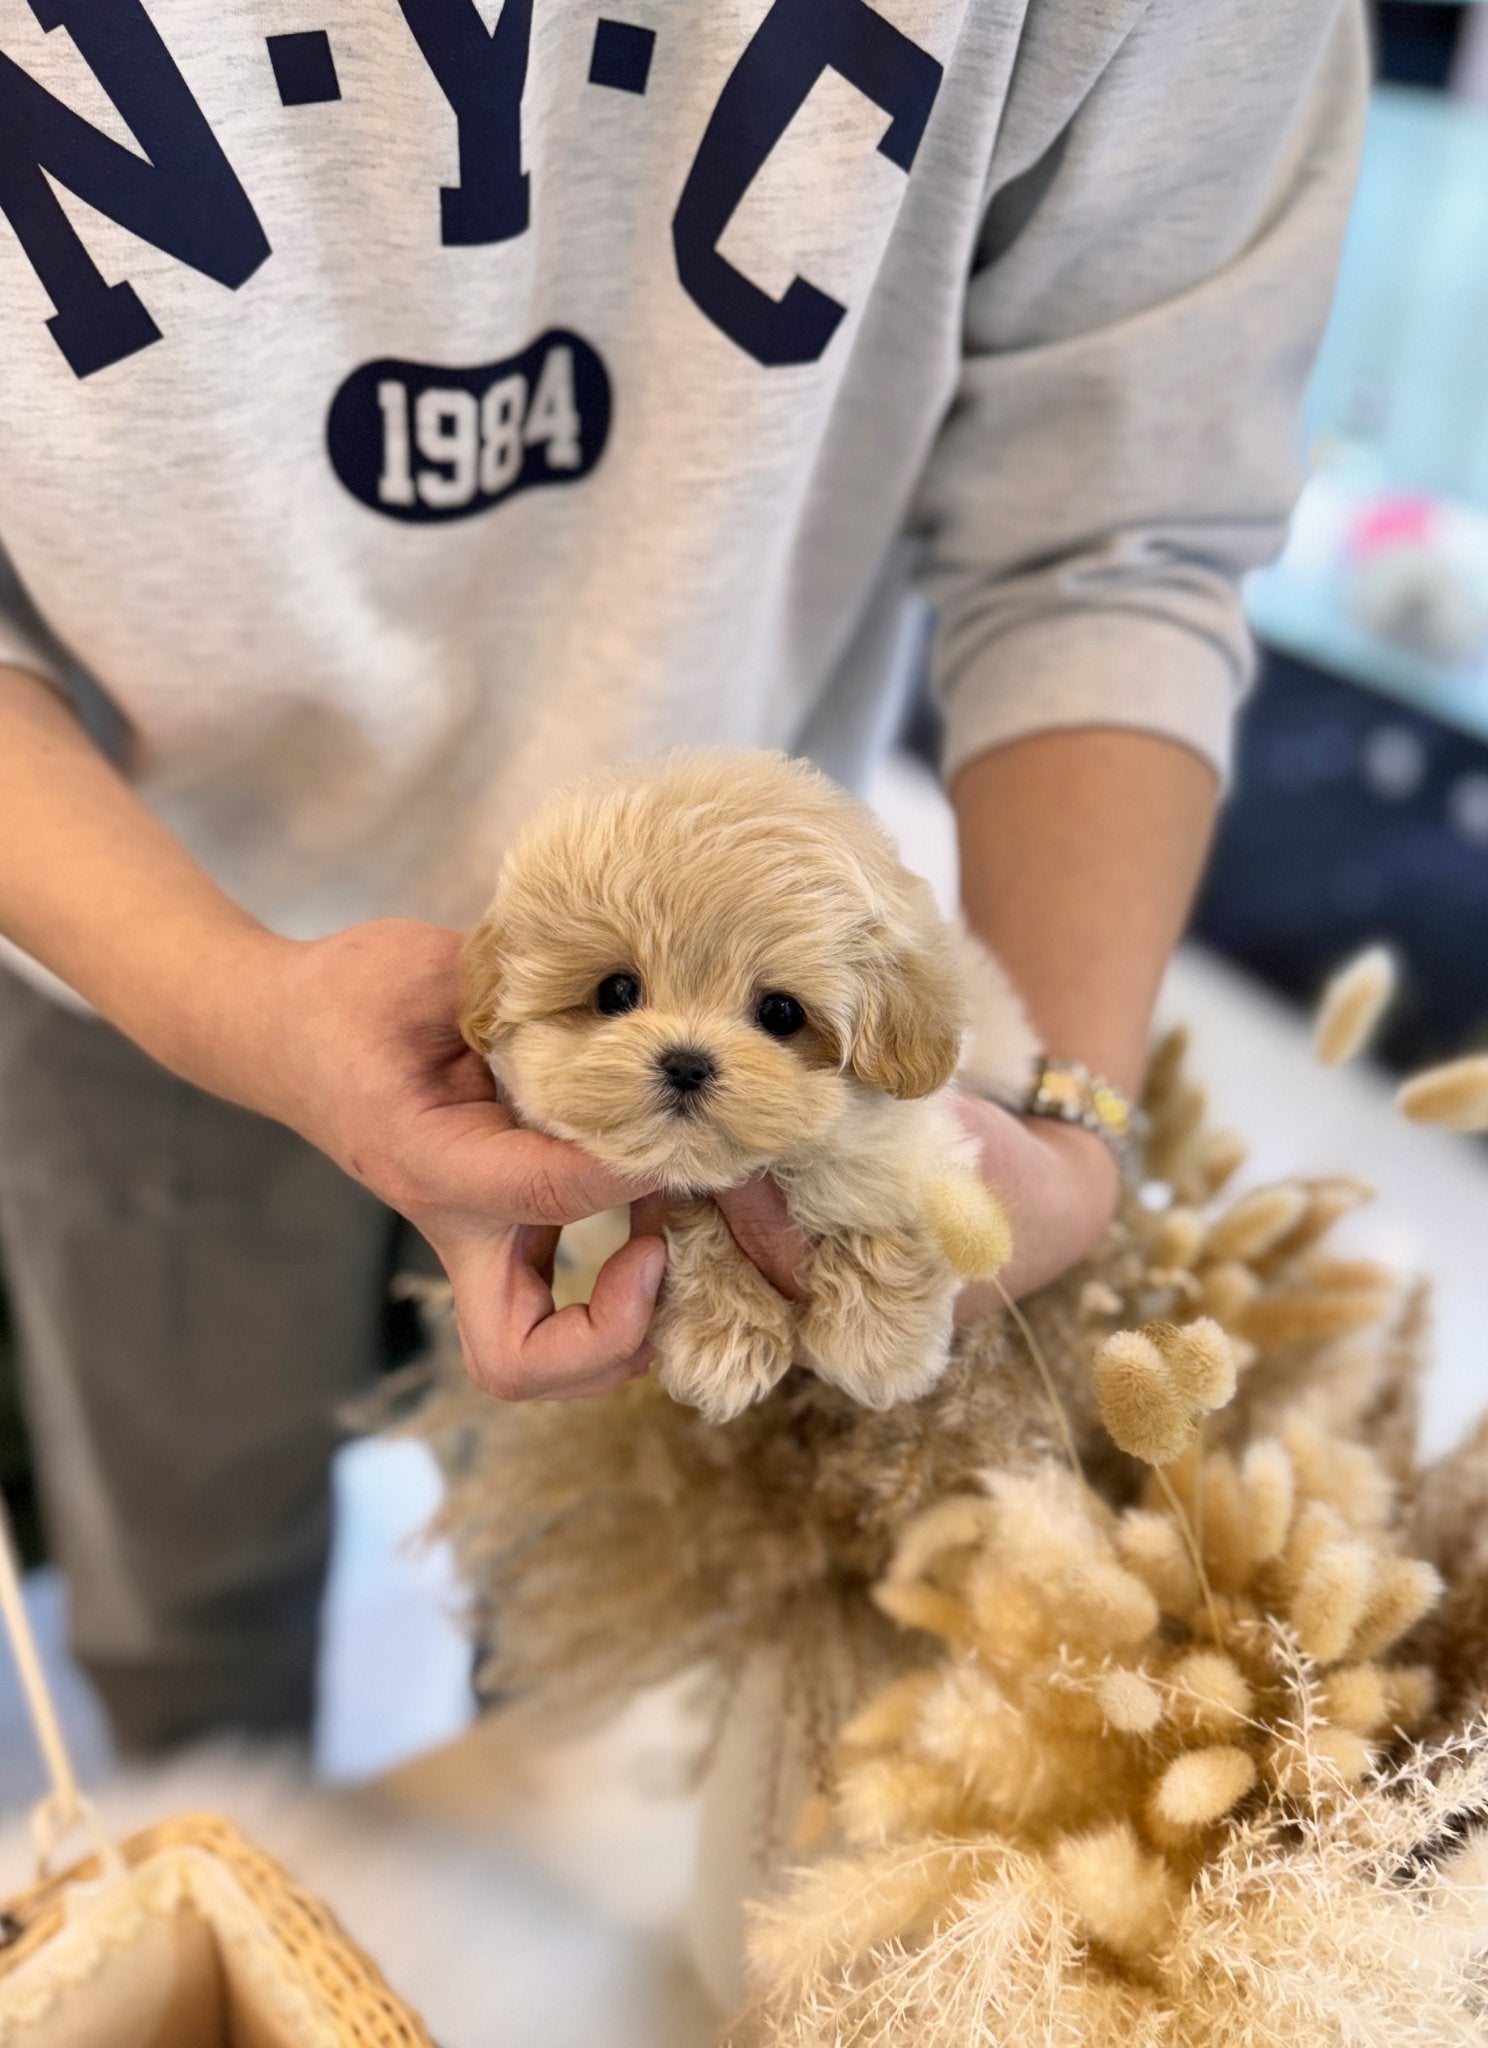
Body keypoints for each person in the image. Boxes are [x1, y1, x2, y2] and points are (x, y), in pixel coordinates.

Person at [0, 0, 1365, 1751]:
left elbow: (1122, 514)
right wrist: (216, 991)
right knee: (183, 1602)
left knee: (587, 1603)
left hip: (735, 943)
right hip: (117, 916)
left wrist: (1072, 1125)